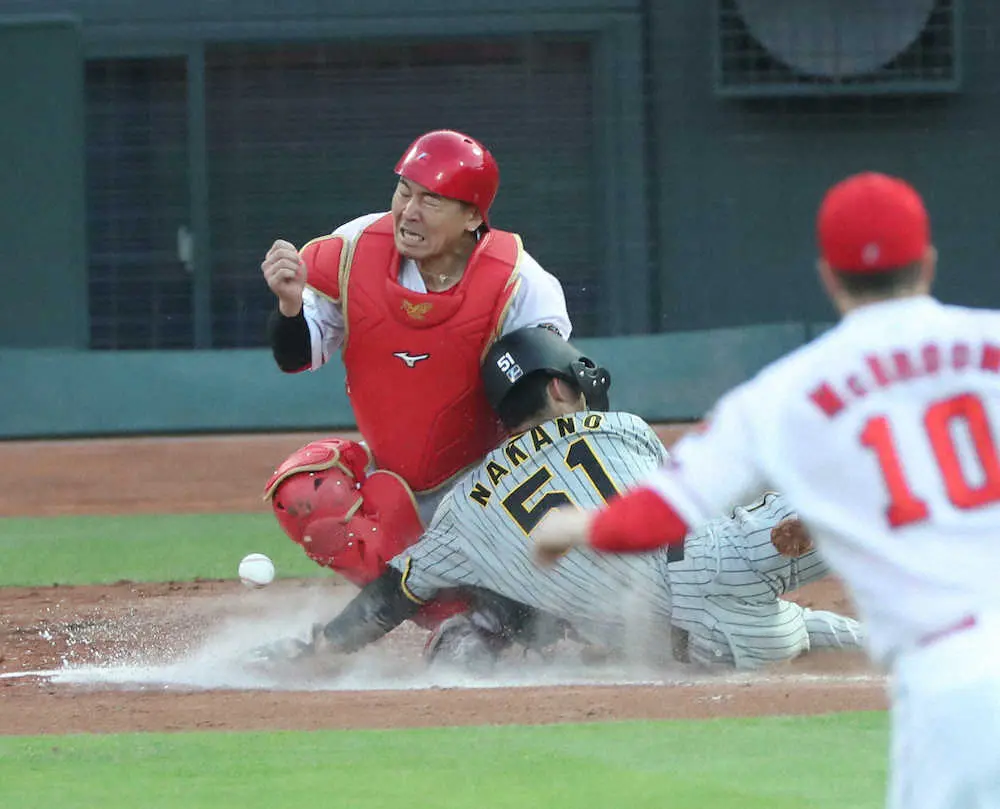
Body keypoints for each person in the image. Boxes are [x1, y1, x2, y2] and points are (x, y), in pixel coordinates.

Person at [533, 172, 1000, 808]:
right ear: (928, 261)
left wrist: (575, 527)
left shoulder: (784, 395)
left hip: (954, 690)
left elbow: (657, 517)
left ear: (828, 277)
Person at [256, 328, 861, 671]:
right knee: (865, 487)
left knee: (806, 631)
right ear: (559, 389)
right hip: (720, 561)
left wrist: (320, 650)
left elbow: (391, 595)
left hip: (691, 649)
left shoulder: (464, 513)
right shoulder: (621, 425)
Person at [259, 129, 572, 641]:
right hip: (395, 485)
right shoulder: (353, 249)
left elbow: (555, 414)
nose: (409, 211)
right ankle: (443, 610)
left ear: (473, 216)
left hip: (486, 484)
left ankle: (522, 607)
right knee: (306, 489)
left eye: (432, 200)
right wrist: (290, 306)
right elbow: (298, 357)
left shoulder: (520, 282)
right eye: (405, 191)